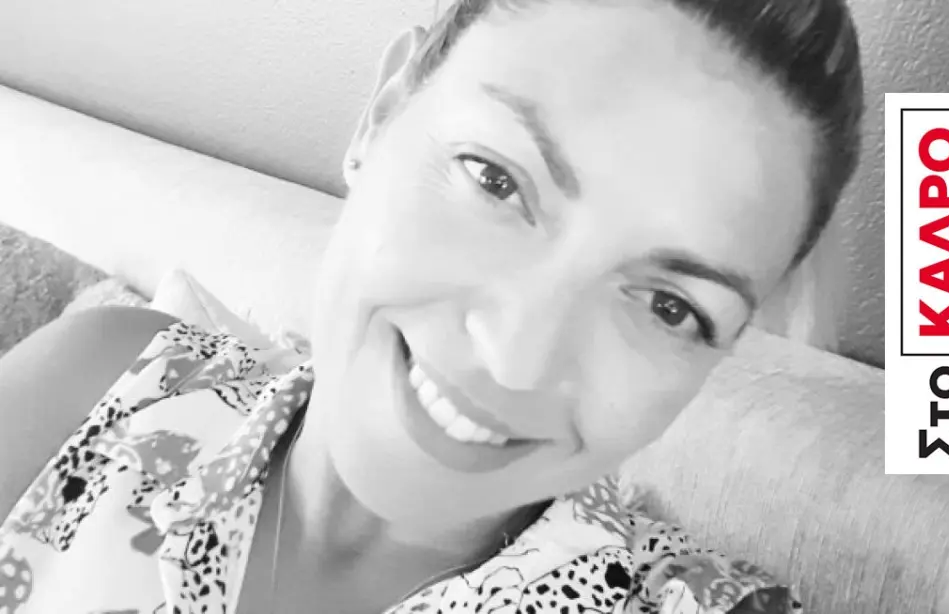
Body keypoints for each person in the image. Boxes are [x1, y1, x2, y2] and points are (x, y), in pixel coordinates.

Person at [0, 0, 864, 612]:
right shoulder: (107, 383)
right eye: (496, 180)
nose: (515, 358)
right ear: (381, 116)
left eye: (670, 308)